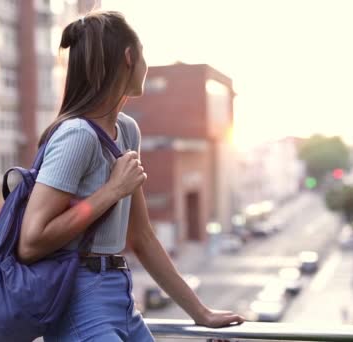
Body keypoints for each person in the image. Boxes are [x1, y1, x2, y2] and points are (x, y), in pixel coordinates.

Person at [17, 10, 245, 341]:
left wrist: (200, 312)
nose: (145, 63)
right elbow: (31, 241)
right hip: (80, 302)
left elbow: (142, 237)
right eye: (144, 54)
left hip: (120, 298)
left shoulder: (126, 130)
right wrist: (110, 192)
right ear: (129, 56)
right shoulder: (76, 135)